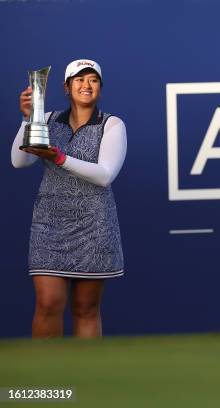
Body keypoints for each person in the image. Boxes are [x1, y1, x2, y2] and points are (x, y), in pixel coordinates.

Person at [11, 59, 127, 338]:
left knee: (85, 307)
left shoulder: (112, 125)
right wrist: (28, 118)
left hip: (94, 227)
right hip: (49, 225)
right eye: (79, 79)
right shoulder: (47, 120)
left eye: (93, 80)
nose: (86, 85)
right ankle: (46, 376)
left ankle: (86, 378)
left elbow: (104, 175)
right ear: (66, 87)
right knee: (48, 303)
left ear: (100, 87)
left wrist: (60, 158)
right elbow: (19, 161)